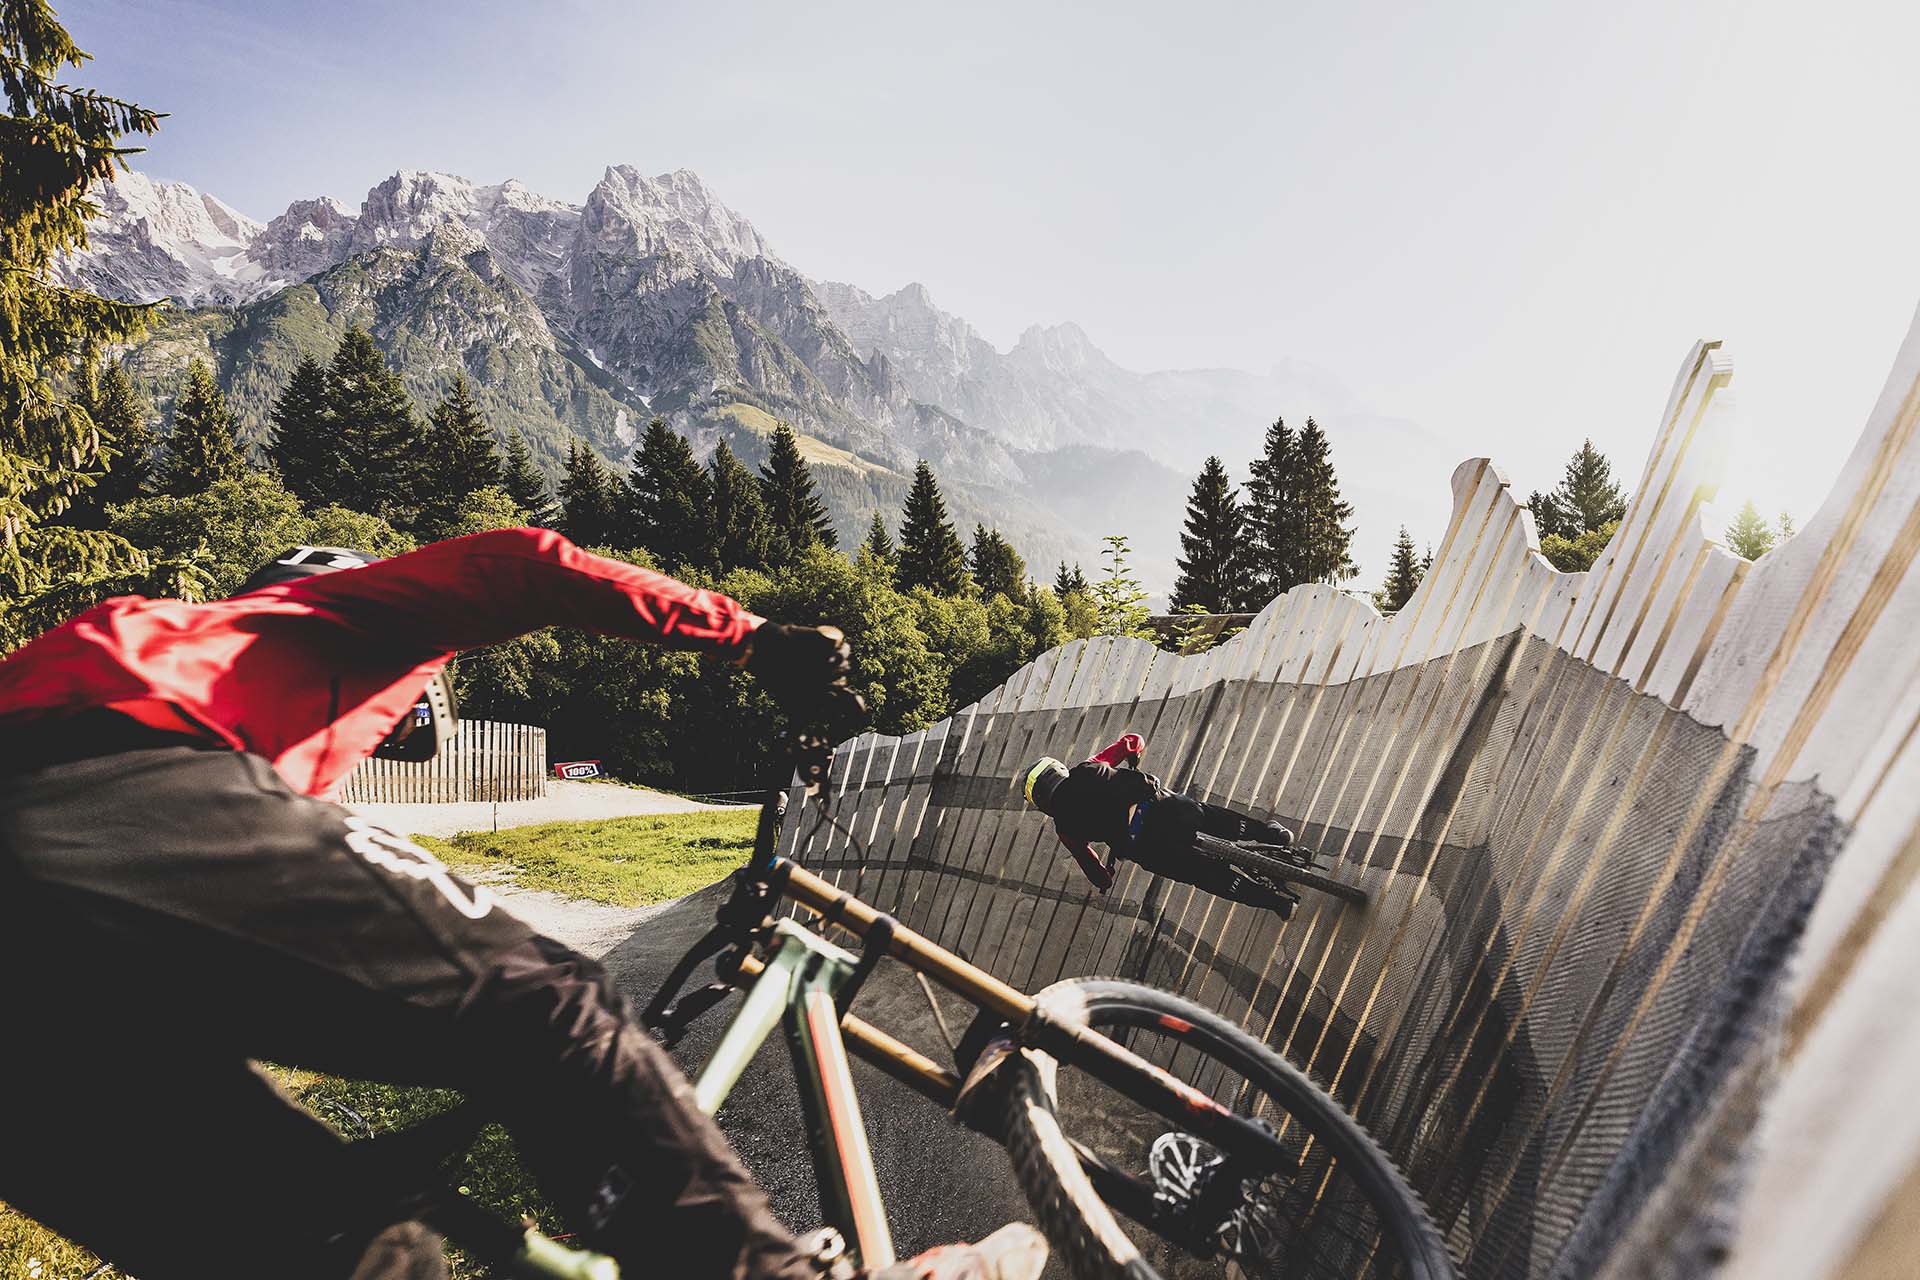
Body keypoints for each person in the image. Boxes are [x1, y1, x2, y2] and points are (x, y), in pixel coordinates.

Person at [0, 527, 1045, 1280]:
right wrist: (749, 633)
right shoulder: (314, 616)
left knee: (353, 1246)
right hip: (98, 772)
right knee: (546, 1000)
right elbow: (523, 563)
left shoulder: (207, 696)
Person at [1022, 733, 1300, 916]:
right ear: (1057, 769)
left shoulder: (1065, 828)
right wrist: (1134, 756)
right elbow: (1132, 741)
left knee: (1206, 876)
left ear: (1042, 802)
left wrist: (1105, 878)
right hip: (1166, 810)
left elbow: (1091, 866)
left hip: (1150, 848)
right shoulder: (1088, 768)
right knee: (1210, 816)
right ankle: (1273, 835)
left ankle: (1276, 903)